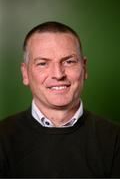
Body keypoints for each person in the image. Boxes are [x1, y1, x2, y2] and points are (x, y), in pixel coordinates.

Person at [0, 21, 120, 178]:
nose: (58, 74)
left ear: (84, 68)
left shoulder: (116, 139)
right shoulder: (2, 138)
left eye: (69, 61)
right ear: (25, 73)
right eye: (43, 63)